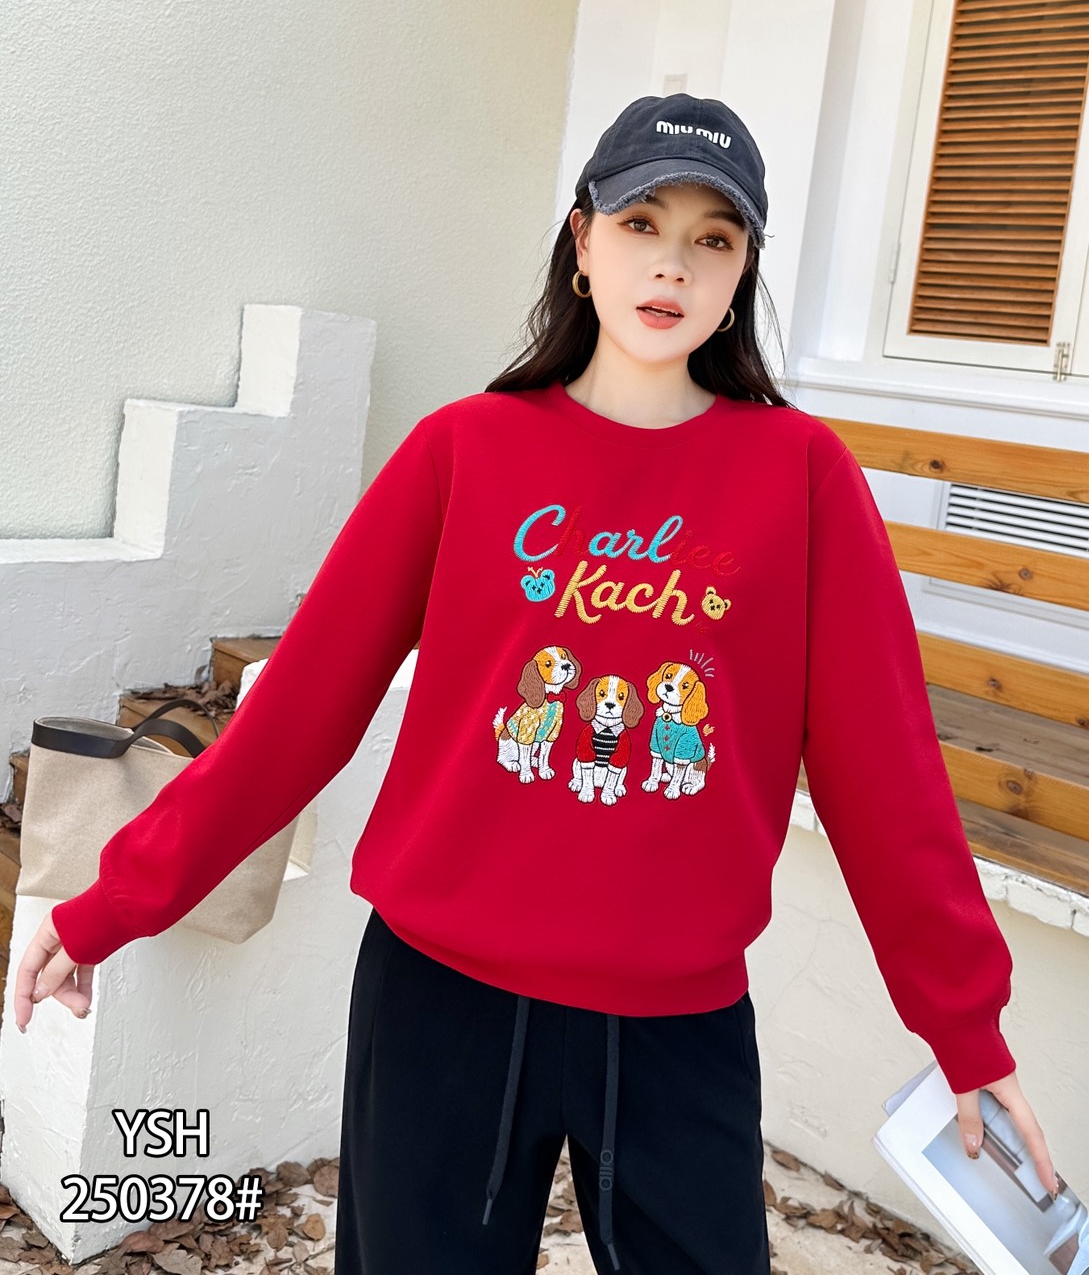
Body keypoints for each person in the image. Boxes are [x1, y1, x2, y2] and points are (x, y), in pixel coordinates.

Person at [15, 93, 1058, 1275]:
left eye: (713, 238)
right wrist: (112, 904)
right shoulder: (464, 450)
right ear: (582, 240)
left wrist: (964, 1028)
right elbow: (298, 714)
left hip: (675, 1025)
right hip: (439, 1002)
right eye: (641, 223)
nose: (672, 264)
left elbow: (887, 779)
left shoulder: (803, 478)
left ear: (743, 270)